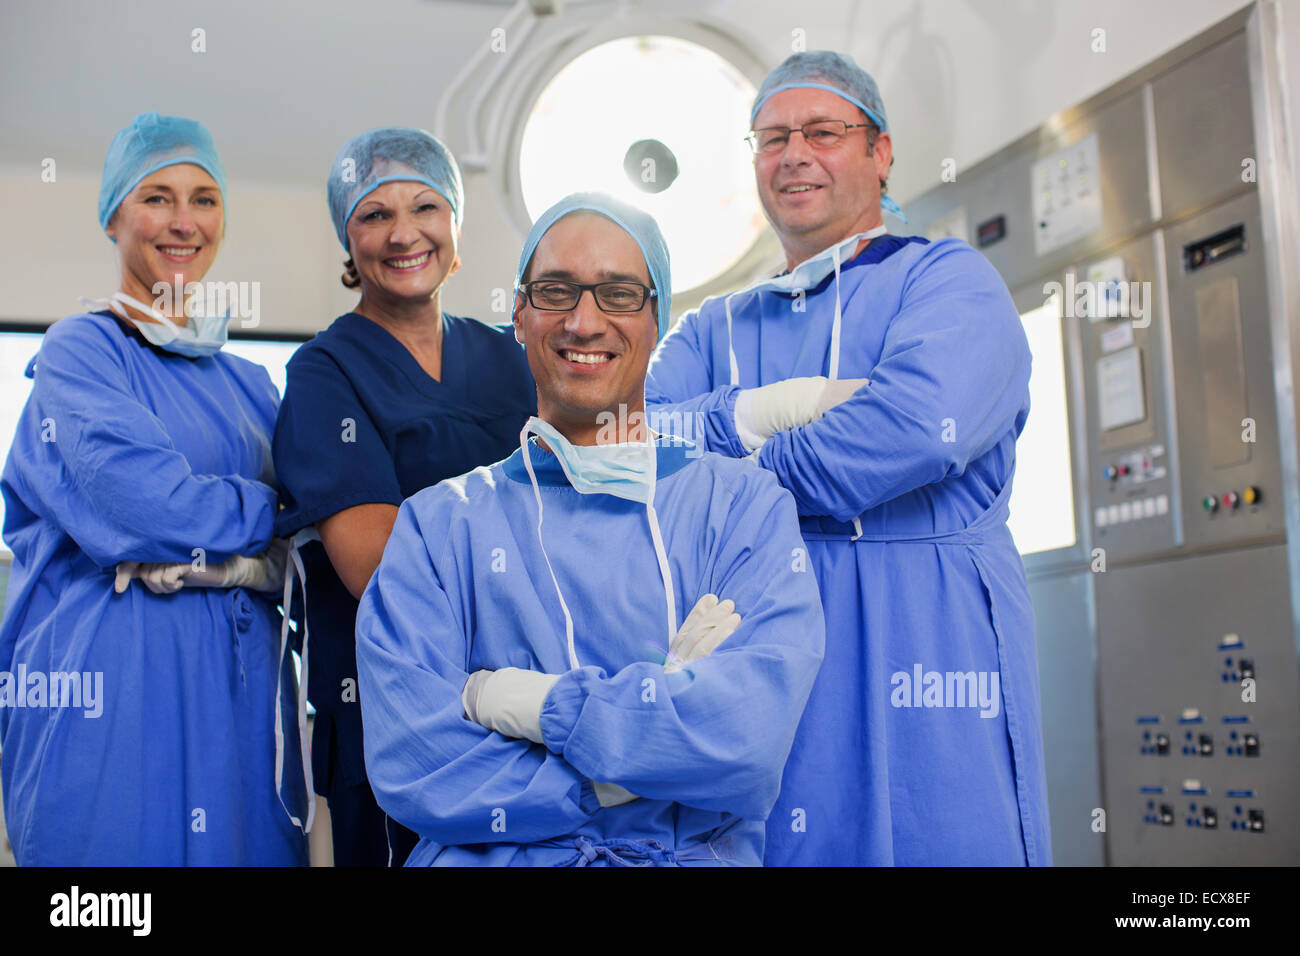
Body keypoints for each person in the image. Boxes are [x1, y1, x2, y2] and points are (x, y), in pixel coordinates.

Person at [645, 52, 1052, 866]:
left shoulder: (951, 283)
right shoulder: (710, 327)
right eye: (772, 137)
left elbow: (908, 429)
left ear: (881, 152)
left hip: (929, 641)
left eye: (823, 131)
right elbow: (643, 452)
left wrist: (725, 467)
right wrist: (773, 408)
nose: (793, 153)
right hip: (760, 647)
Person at [354, 193, 825, 866]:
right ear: (518, 315)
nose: (583, 321)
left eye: (618, 294)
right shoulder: (440, 525)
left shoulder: (740, 507)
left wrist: (535, 706)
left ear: (657, 319)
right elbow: (416, 764)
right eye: (555, 291)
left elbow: (746, 739)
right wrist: (635, 762)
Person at [0, 111, 307, 865]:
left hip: (240, 696)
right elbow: (146, 507)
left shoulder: (250, 384)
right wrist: (265, 520)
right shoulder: (82, 349)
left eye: (204, 199)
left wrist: (256, 544)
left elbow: (308, 537)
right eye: (157, 197)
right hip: (112, 687)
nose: (183, 221)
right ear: (113, 216)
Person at [272, 127, 535, 866]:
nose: (403, 233)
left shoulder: (513, 358)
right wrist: (540, 572)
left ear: (455, 228)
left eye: (425, 206)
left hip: (536, 698)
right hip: (395, 712)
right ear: (348, 242)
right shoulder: (327, 374)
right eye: (373, 214)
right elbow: (375, 567)